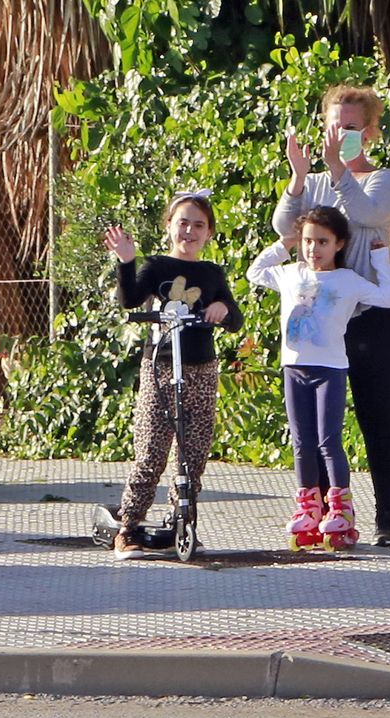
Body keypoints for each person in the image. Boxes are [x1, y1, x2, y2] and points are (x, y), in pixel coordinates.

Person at [273, 84, 390, 544]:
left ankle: (385, 517)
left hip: (372, 315)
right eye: (335, 125)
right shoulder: (314, 181)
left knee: (376, 414)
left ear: (369, 133)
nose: (340, 135)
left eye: (350, 128)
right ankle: (329, 510)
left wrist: (336, 171)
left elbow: (366, 215)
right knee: (319, 424)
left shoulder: (382, 178)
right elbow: (284, 228)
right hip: (324, 319)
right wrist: (298, 177)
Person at [248, 206, 390, 550]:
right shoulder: (289, 274)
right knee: (301, 443)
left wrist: (380, 257)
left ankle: (341, 508)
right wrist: (282, 246)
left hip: (330, 369)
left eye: (322, 242)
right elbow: (254, 272)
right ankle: (308, 506)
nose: (313, 249)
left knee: (328, 441)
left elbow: (388, 298)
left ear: (339, 244)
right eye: (308, 241)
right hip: (294, 369)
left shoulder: (346, 281)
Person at [103, 192, 243, 561]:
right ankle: (129, 526)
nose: (190, 231)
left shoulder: (212, 273)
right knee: (151, 451)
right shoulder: (157, 267)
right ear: (169, 226)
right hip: (160, 367)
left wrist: (221, 307)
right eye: (183, 222)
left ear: (209, 232)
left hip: (201, 369)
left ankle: (182, 520)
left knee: (193, 452)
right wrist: (127, 261)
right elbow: (130, 299)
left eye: (198, 225)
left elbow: (235, 318)